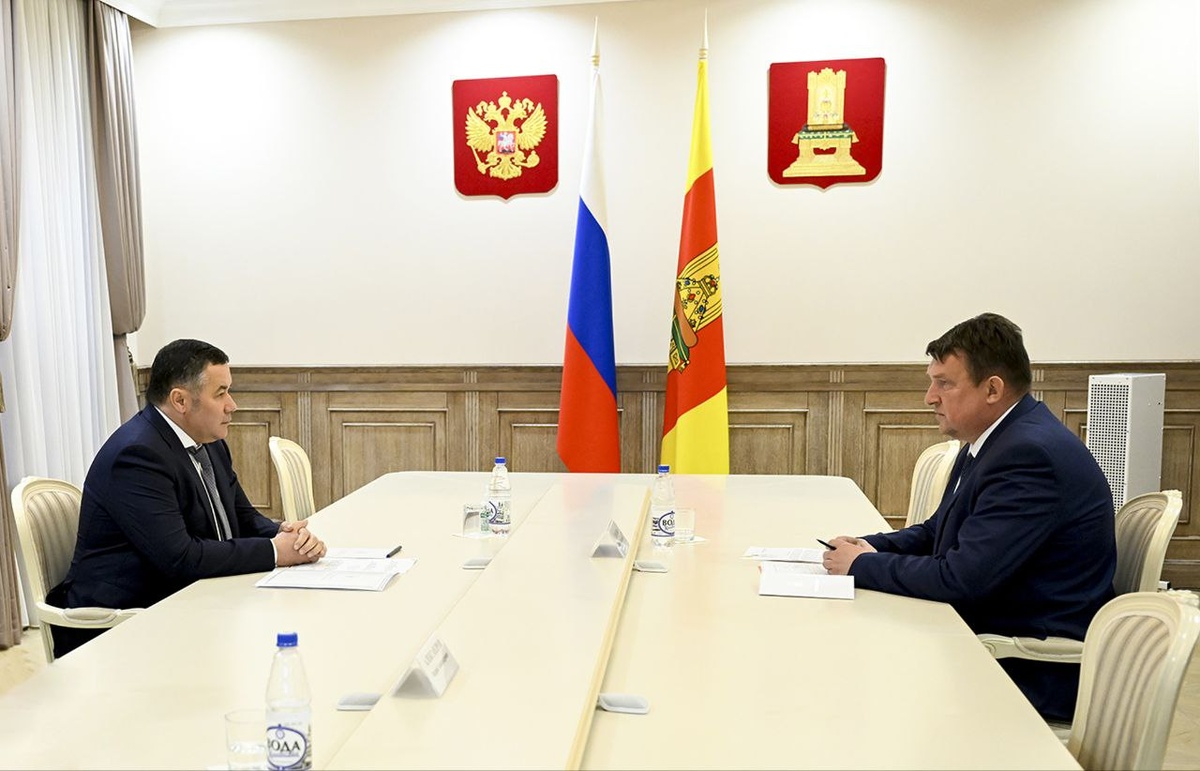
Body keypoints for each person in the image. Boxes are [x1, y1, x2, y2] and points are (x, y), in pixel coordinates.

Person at [822, 312, 1116, 722]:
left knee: (855, 684)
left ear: (992, 389)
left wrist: (862, 566)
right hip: (988, 633)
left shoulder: (1029, 456)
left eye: (944, 383)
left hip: (1026, 667)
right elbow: (938, 530)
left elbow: (961, 580)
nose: (930, 397)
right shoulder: (997, 438)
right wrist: (870, 546)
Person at [48, 339, 327, 658]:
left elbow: (243, 517)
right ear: (180, 400)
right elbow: (181, 558)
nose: (232, 405)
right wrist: (275, 552)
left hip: (190, 601)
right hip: (125, 626)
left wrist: (287, 536)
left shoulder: (209, 442)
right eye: (220, 393)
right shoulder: (137, 455)